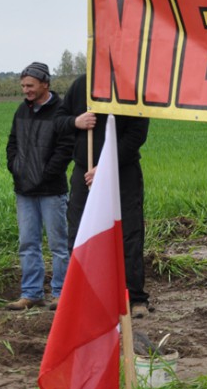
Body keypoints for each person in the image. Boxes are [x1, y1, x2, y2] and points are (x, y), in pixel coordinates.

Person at [55, 74, 151, 318]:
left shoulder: (130, 88)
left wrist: (107, 164)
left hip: (122, 172)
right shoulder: (80, 85)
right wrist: (76, 121)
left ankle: (135, 297)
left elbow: (137, 135)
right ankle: (80, 294)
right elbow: (58, 121)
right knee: (79, 233)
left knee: (128, 233)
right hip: (83, 172)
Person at [5, 62, 75, 311]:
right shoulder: (21, 111)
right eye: (23, 85)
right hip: (24, 190)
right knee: (28, 243)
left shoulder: (60, 111)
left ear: (45, 84)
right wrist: (15, 166)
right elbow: (12, 142)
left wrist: (46, 174)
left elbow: (66, 148)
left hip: (51, 191)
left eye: (30, 85)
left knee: (58, 245)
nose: (26, 90)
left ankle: (61, 293)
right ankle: (31, 293)